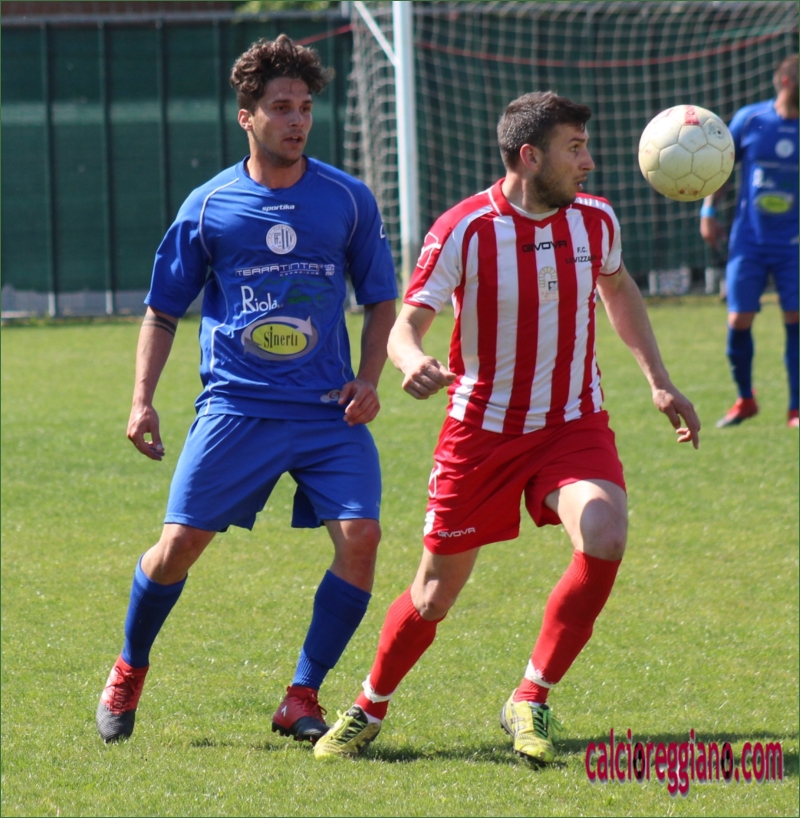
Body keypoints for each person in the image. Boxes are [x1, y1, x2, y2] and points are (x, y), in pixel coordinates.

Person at [312, 91, 701, 765]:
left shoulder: (596, 221)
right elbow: (407, 324)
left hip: (573, 423)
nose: (588, 162)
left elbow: (618, 289)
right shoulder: (465, 228)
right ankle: (369, 705)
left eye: (585, 146)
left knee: (605, 532)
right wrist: (410, 362)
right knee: (434, 594)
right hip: (481, 433)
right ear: (530, 156)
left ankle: (531, 696)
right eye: (574, 148)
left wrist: (658, 379)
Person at [95, 35, 397, 744]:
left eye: (305, 108)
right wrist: (141, 399)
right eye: (281, 107)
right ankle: (129, 667)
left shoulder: (347, 200)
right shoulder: (209, 207)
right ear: (247, 116)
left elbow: (382, 299)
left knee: (362, 537)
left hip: (327, 411)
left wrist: (369, 378)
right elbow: (162, 311)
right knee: (177, 546)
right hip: (237, 408)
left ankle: (301, 695)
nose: (296, 120)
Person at [700, 54, 799, 429]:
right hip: (749, 240)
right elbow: (722, 169)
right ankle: (745, 399)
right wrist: (708, 211)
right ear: (787, 82)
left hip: (793, 243)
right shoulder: (751, 119)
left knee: (795, 317)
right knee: (739, 319)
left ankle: (796, 409)